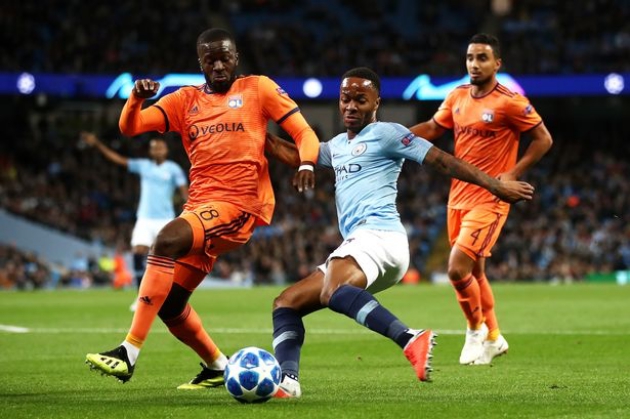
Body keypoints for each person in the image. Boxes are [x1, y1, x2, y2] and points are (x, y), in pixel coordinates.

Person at [264, 67, 535, 398]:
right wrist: (253, 131)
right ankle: (287, 381)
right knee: (286, 303)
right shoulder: (337, 146)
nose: (351, 106)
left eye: (360, 100)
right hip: (366, 247)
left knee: (332, 288)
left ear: (376, 102)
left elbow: (442, 161)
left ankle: (409, 338)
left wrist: (494, 185)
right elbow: (294, 154)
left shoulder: (388, 134)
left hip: (380, 237)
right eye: (345, 99)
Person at [85, 28, 320, 388]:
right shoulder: (184, 100)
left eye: (225, 58)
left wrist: (306, 163)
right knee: (170, 305)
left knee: (166, 240)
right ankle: (217, 365)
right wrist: (135, 98)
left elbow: (304, 133)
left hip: (240, 204)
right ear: (201, 63)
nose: (219, 65)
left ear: (236, 58)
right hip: (201, 206)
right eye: (211, 60)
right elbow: (130, 127)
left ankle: (128, 352)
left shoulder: (258, 89)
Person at [409, 33, 553, 365]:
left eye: (482, 58)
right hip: (458, 197)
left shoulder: (510, 102)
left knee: (457, 269)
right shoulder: (457, 96)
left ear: (497, 64)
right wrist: (392, 137)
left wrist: (513, 173)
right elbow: (432, 128)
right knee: (476, 273)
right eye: (470, 58)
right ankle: (494, 337)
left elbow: (543, 139)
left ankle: (475, 330)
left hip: (491, 198)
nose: (475, 64)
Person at [80, 132, 188, 311]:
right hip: (145, 218)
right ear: (150, 152)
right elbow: (119, 160)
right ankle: (141, 297)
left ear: (166, 150)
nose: (157, 151)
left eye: (160, 148)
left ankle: (168, 295)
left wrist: (189, 210)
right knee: (138, 251)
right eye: (154, 148)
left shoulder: (173, 169)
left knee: (167, 258)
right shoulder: (143, 166)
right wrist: (98, 144)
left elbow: (184, 191)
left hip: (165, 219)